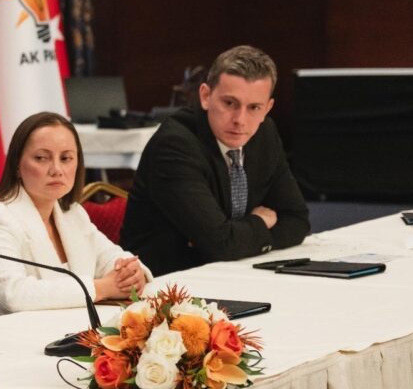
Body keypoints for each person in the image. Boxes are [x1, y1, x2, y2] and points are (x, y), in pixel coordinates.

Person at [121, 45, 310, 276]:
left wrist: (236, 237)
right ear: (205, 96)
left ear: (267, 108)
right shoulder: (174, 144)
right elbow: (220, 245)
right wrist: (260, 222)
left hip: (236, 271)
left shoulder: (264, 133)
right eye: (229, 103)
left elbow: (297, 221)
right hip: (168, 283)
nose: (240, 120)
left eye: (254, 107)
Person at [0, 112, 152, 321]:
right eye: (41, 158)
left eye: (66, 158)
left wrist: (132, 273)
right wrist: (100, 288)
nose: (57, 170)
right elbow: (14, 294)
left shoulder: (72, 213)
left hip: (68, 331)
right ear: (17, 165)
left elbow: (110, 258)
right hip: (3, 338)